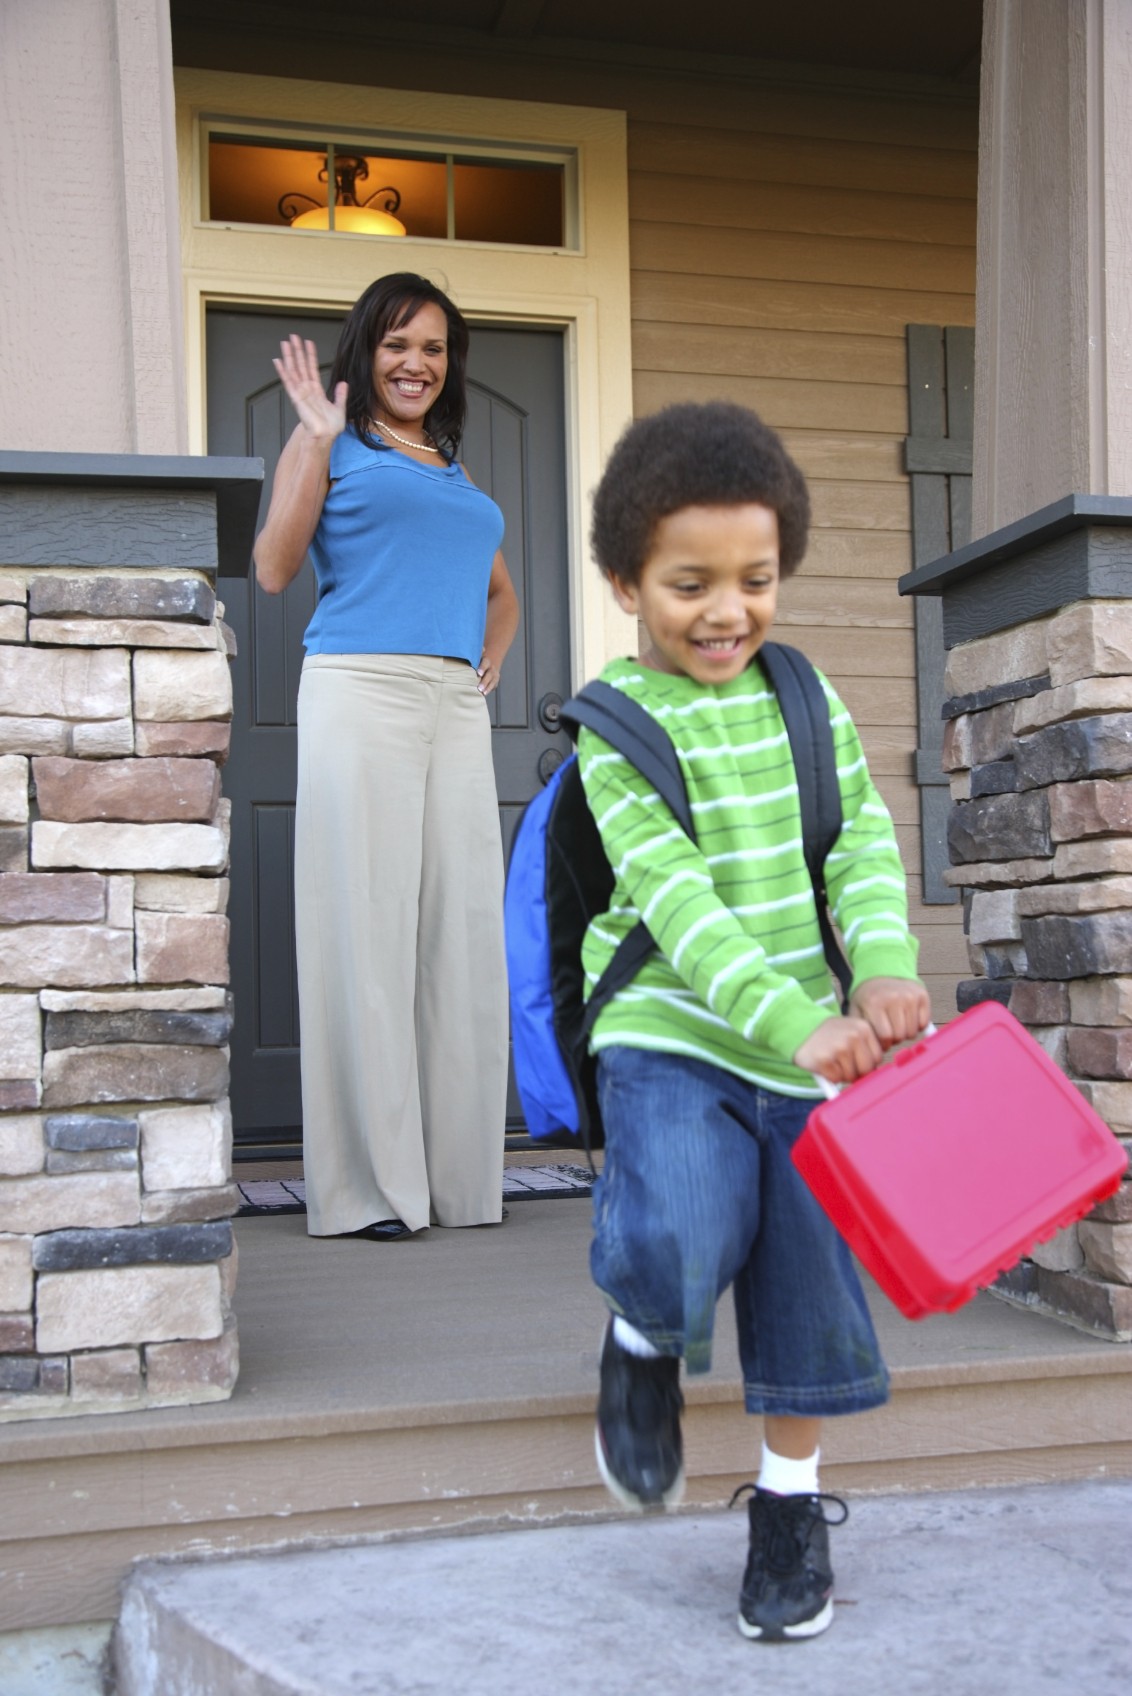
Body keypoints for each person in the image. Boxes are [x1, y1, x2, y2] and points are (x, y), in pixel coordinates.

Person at [577, 401, 930, 1641]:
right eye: (689, 584)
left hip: (812, 1051)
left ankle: (788, 1508)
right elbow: (680, 908)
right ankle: (639, 1338)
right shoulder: (614, 728)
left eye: (755, 578)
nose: (726, 610)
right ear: (625, 581)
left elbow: (862, 846)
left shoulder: (804, 695)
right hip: (680, 1027)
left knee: (810, 1282)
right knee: (683, 1217)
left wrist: (881, 965)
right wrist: (790, 1020)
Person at [253, 273, 520, 1241]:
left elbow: (501, 592)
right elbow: (274, 568)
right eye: (399, 343)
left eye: (435, 348)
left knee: (457, 937)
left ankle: (455, 1181)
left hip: (452, 706)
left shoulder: (449, 469)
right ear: (366, 349)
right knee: (365, 932)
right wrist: (315, 446)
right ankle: (370, 1189)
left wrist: (488, 655)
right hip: (357, 690)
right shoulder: (331, 440)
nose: (416, 363)